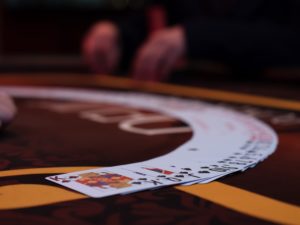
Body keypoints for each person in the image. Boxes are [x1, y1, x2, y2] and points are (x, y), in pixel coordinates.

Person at [82, 0, 300, 82]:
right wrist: (115, 32)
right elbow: (160, 29)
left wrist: (194, 36)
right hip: (200, 95)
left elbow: (290, 40)